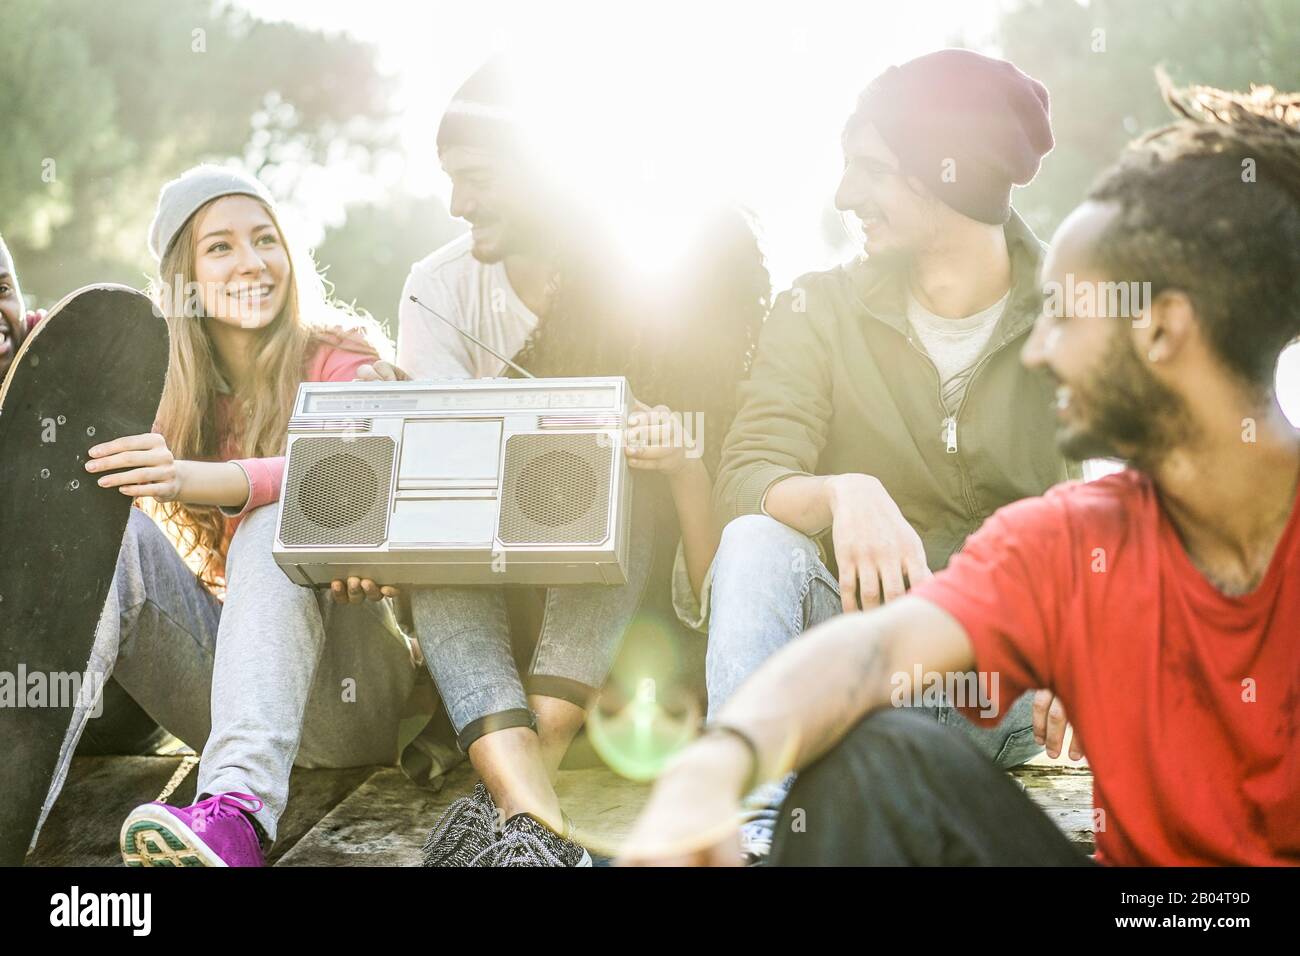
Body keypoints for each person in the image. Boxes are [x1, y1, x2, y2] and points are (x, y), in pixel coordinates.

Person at [620, 78, 1300, 867]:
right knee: (877, 761)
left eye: (1063, 316)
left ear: (1158, 333)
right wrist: (715, 764)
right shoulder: (1071, 541)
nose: (1036, 349)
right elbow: (872, 655)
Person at [361, 60, 770, 866]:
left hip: (634, 640)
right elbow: (443, 495)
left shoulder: (649, 283)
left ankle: (521, 788)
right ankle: (533, 812)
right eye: (450, 178)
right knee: (445, 527)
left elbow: (705, 570)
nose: (457, 203)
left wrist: (671, 459)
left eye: (478, 178)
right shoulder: (436, 290)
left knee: (616, 465)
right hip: (497, 631)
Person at [689, 49, 1081, 860]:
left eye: (870, 169)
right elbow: (745, 475)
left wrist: (1092, 631)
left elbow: (1141, 499)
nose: (845, 196)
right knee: (753, 538)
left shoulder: (1074, 314)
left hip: (1002, 689)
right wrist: (842, 491)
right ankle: (750, 837)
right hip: (850, 666)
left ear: (952, 173)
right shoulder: (816, 308)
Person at [31, 164, 424, 867]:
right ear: (183, 277)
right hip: (234, 701)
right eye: (220, 247)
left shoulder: (340, 358)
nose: (252, 261)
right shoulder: (173, 391)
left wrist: (191, 478)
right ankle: (22, 785)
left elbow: (336, 470)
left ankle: (237, 815)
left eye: (265, 239)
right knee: (115, 535)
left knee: (276, 521)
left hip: (356, 699)